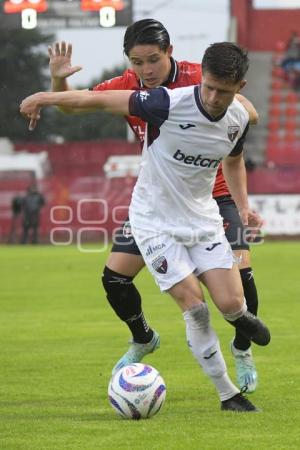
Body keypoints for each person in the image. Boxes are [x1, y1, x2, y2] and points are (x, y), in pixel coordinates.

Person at [20, 41, 271, 413]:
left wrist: (244, 207)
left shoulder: (237, 118)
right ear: (202, 77)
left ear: (240, 88)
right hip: (154, 222)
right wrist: (45, 94)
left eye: (225, 91)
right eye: (210, 86)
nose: (215, 97)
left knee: (232, 302)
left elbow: (233, 161)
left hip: (202, 219)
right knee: (195, 307)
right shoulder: (165, 103)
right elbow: (95, 101)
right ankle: (227, 394)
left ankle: (238, 318)